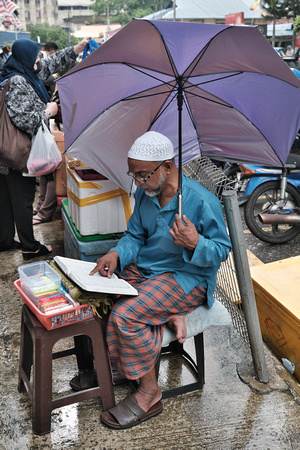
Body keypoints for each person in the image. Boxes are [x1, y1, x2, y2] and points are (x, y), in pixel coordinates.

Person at [73, 131, 232, 429]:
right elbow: (135, 235)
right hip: (149, 269)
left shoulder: (201, 201)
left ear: (168, 167)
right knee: (96, 296)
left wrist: (196, 243)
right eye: (134, 175)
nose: (137, 182)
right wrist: (117, 254)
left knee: (126, 315)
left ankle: (149, 391)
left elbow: (222, 251)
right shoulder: (145, 195)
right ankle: (131, 356)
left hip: (187, 277)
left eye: (143, 175)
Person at [0, 37, 90, 258]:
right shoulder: (20, 81)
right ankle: (30, 247)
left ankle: (3, 240)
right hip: (16, 153)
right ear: (25, 58)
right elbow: (26, 120)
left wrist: (76, 49)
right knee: (22, 200)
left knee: (4, 198)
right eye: (36, 56)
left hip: (4, 152)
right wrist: (49, 111)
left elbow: (51, 63)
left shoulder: (14, 72)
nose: (39, 60)